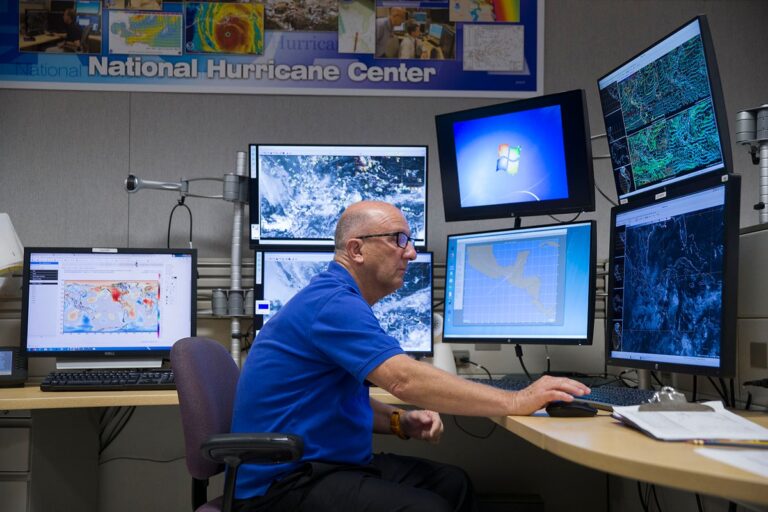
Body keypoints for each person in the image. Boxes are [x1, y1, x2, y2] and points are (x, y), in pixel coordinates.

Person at [231, 200, 590, 511]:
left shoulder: (339, 298)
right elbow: (403, 379)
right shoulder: (332, 303)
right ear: (356, 250)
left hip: (325, 466)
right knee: (427, 508)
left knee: (454, 483)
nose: (412, 252)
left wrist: (399, 422)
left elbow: (328, 400)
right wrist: (517, 400)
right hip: (281, 486)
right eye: (398, 239)